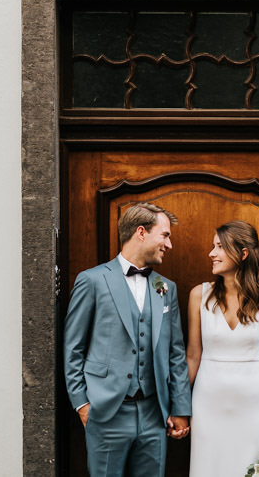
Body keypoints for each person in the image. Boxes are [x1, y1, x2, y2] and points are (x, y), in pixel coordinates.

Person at [64, 203, 192, 477]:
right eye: (165, 235)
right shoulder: (93, 280)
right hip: (106, 411)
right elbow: (73, 347)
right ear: (141, 232)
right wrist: (82, 404)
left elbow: (176, 353)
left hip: (154, 414)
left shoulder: (165, 288)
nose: (169, 244)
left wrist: (181, 407)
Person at [186, 220, 259, 477]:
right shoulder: (199, 295)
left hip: (254, 403)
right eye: (213, 247)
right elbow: (192, 356)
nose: (212, 253)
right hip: (207, 403)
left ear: (243, 254)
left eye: (220, 247)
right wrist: (177, 408)